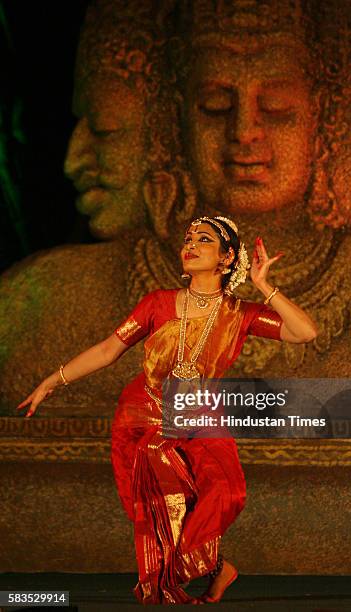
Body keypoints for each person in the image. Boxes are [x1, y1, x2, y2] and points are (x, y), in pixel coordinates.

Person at [16, 215, 317, 604]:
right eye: (188, 238)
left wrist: (264, 286)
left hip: (199, 415)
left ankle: (207, 567)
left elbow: (304, 332)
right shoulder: (157, 303)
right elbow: (109, 350)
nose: (189, 244)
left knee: (224, 491)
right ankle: (198, 575)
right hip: (145, 416)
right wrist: (53, 380)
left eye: (203, 239)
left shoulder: (240, 314)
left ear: (227, 259)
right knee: (168, 501)